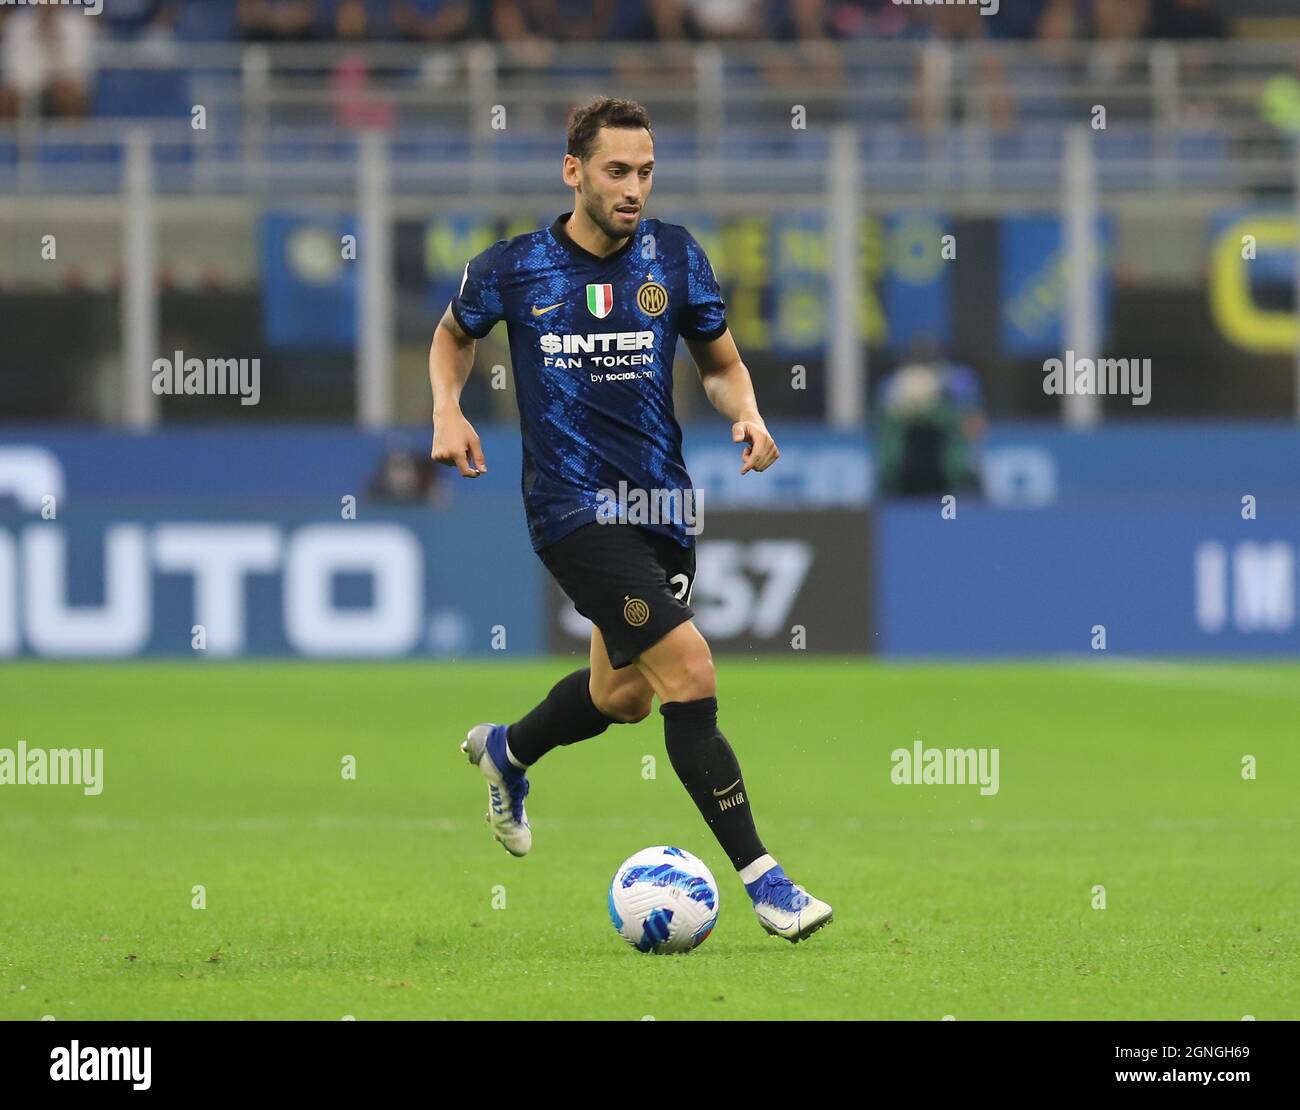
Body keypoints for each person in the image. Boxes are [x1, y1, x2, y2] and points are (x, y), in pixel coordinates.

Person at [428, 96, 833, 943]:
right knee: (690, 670)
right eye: (617, 171)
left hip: (662, 507)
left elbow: (720, 363)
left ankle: (508, 750)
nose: (633, 189)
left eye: (645, 172)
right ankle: (767, 882)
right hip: (571, 508)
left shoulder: (675, 257)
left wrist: (747, 412)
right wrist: (447, 408)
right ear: (572, 171)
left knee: (623, 699)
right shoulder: (515, 267)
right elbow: (453, 334)